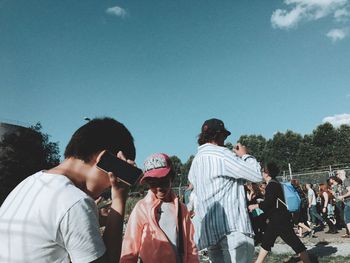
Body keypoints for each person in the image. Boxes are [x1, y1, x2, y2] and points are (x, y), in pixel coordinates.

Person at [0, 117, 135, 263]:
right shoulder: (75, 202)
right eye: (120, 171)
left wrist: (93, 218)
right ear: (105, 159)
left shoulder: (29, 183)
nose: (113, 184)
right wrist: (119, 200)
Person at [188, 118, 262, 263]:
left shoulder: (196, 160)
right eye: (224, 136)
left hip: (209, 229)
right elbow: (256, 175)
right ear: (218, 135)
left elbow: (193, 184)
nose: (225, 139)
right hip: (232, 227)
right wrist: (245, 155)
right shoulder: (222, 154)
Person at [120, 153, 199, 263]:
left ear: (171, 177)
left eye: (163, 181)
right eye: (153, 183)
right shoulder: (142, 208)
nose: (159, 187)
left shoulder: (182, 209)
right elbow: (130, 247)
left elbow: (190, 245)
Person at [248, 162, 311, 263]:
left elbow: (269, 203)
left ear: (266, 173)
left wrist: (255, 206)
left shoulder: (271, 185)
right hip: (278, 219)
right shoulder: (275, 183)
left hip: (279, 219)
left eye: (262, 171)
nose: (261, 173)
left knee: (294, 242)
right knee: (267, 242)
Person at [336, 170, 350, 238]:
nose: (337, 176)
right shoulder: (344, 182)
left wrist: (342, 196)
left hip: (349, 202)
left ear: (341, 174)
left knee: (347, 219)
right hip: (347, 202)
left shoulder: (346, 181)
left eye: (337, 174)